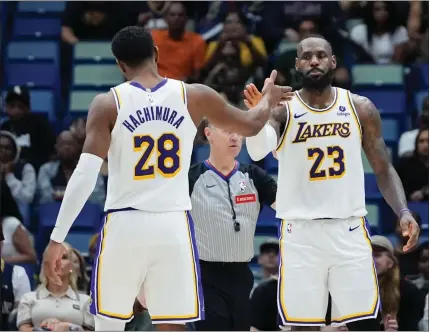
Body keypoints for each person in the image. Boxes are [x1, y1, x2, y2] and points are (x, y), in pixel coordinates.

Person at [42, 25, 292, 332]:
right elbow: (252, 125)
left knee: (108, 324)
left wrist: (57, 237)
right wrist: (266, 99)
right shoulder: (194, 95)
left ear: (120, 65)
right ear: (157, 54)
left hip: (125, 223)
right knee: (172, 324)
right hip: (172, 226)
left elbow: (84, 174)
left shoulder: (107, 104)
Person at [243, 34, 420, 331]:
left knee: (361, 323)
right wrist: (258, 111)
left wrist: (402, 210)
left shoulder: (360, 107)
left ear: (333, 62)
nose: (314, 60)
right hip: (300, 232)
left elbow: (383, 168)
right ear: (297, 65)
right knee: (302, 325)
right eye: (307, 56)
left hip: (347, 229)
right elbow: (257, 150)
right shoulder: (282, 110)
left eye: (321, 55)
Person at [188, 120, 277, 331]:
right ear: (208, 134)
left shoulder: (255, 176)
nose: (235, 137)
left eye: (239, 132)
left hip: (242, 274)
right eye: (228, 130)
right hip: (205, 275)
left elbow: (288, 207)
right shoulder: (191, 177)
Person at [17, 243, 94, 331]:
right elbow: (23, 330)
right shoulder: (28, 298)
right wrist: (45, 329)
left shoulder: (86, 301)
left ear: (71, 266)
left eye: (64, 257)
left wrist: (68, 327)